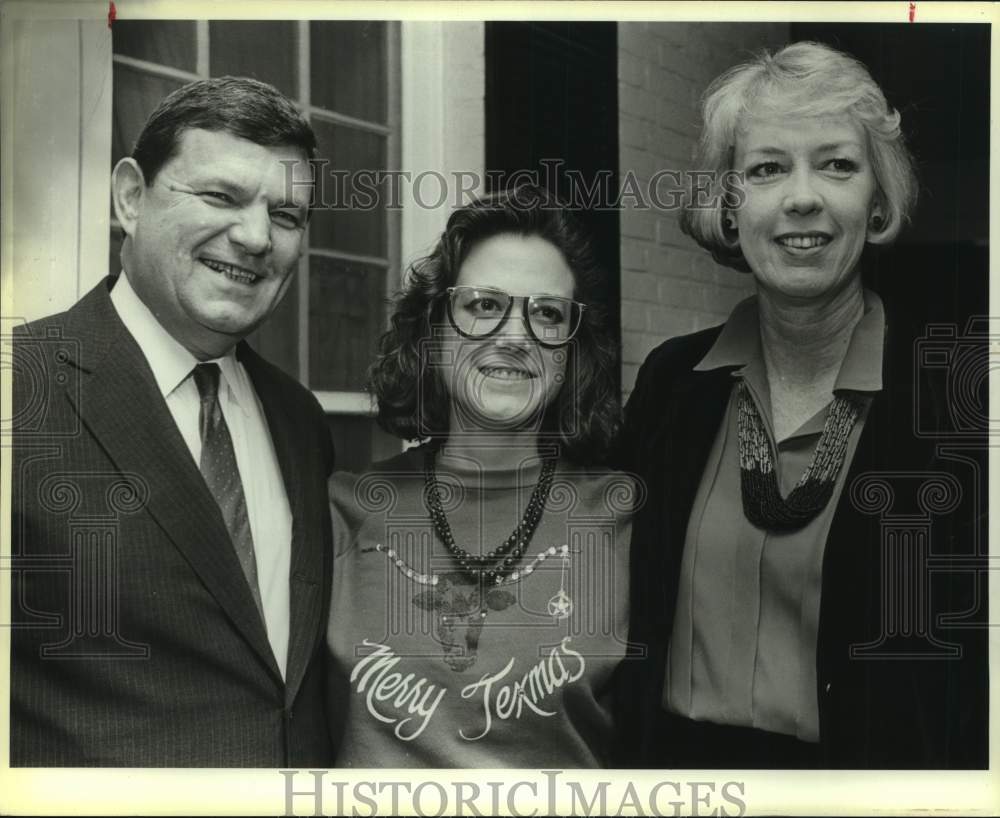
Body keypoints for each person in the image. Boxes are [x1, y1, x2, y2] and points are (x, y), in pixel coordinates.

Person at [616, 42, 987, 768]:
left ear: (877, 198)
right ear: (731, 203)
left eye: (837, 164)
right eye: (767, 168)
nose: (802, 196)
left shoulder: (957, 403)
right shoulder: (671, 383)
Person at [11, 77, 335, 766]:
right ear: (131, 197)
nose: (255, 237)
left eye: (287, 215)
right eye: (220, 196)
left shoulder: (299, 419)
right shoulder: (21, 388)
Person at [326, 185, 637, 767]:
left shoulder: (624, 519)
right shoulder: (344, 511)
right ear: (435, 328)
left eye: (547, 313)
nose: (515, 337)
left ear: (571, 351)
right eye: (484, 305)